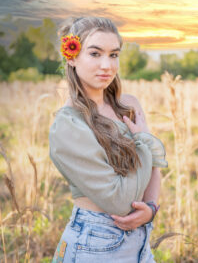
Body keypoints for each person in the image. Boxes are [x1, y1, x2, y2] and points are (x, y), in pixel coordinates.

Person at [49, 16, 168, 263]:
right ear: (71, 57)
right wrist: (143, 141)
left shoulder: (130, 105)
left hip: (141, 244)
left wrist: (151, 209)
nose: (107, 65)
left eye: (114, 55)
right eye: (95, 54)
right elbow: (119, 201)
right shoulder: (68, 124)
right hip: (93, 244)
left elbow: (154, 167)